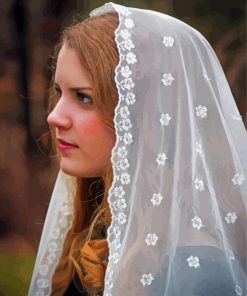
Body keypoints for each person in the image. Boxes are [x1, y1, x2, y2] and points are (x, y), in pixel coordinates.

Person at [28, 2, 247, 296]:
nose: (54, 116)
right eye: (60, 93)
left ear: (147, 117)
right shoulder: (96, 233)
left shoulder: (199, 272)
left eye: (83, 98)